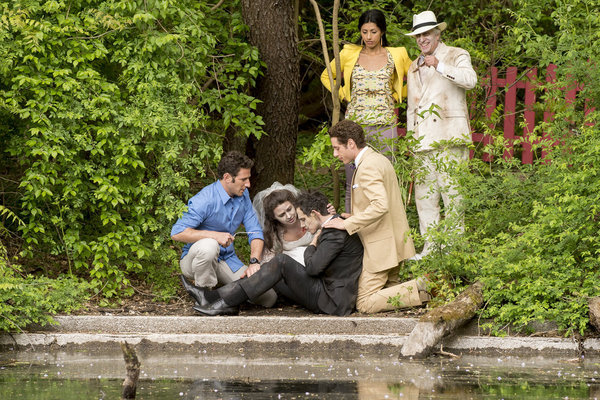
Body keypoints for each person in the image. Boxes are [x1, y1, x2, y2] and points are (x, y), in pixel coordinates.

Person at [192, 190, 364, 316]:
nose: (302, 224)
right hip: (326, 290)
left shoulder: (334, 232)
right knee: (271, 267)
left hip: (332, 301)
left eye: (303, 219)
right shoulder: (333, 227)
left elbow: (312, 268)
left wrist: (312, 244)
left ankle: (223, 300)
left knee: (281, 261)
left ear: (315, 214)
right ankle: (219, 299)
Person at [324, 119, 430, 314]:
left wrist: (348, 223)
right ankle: (425, 290)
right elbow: (383, 201)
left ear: (350, 144)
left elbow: (380, 205)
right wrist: (354, 214)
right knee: (391, 293)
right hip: (396, 242)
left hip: (381, 247)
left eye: (337, 148)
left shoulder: (367, 167)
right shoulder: (378, 159)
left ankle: (423, 287)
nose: (335, 154)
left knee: (364, 303)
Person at [321, 9, 412, 213]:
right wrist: (344, 94)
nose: (368, 37)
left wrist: (398, 95)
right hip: (354, 126)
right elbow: (326, 76)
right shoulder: (349, 53)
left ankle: (383, 229)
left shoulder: (397, 54)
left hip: (385, 125)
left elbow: (416, 77)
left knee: (384, 177)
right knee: (353, 179)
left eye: (373, 31)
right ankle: (352, 228)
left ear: (382, 32)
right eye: (364, 32)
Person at [405, 11, 477, 260]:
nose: (422, 39)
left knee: (453, 195)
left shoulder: (456, 54)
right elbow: (412, 108)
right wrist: (411, 142)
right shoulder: (413, 66)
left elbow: (470, 80)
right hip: (423, 142)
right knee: (425, 198)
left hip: (449, 138)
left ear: (437, 33)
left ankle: (454, 251)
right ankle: (431, 249)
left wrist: (440, 65)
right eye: (418, 35)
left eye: (426, 34)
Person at [170, 151, 276, 311]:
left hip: (226, 260)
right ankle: (204, 296)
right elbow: (177, 233)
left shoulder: (243, 195)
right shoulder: (205, 199)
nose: (248, 184)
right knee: (209, 245)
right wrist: (214, 236)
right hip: (195, 260)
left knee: (268, 297)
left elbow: (255, 231)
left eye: (248, 178)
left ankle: (220, 294)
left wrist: (254, 261)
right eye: (243, 179)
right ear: (227, 177)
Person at [252, 182, 314, 265]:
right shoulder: (274, 234)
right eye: (282, 215)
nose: (289, 216)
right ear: (274, 217)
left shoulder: (309, 216)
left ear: (294, 204)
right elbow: (269, 261)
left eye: (289, 209)